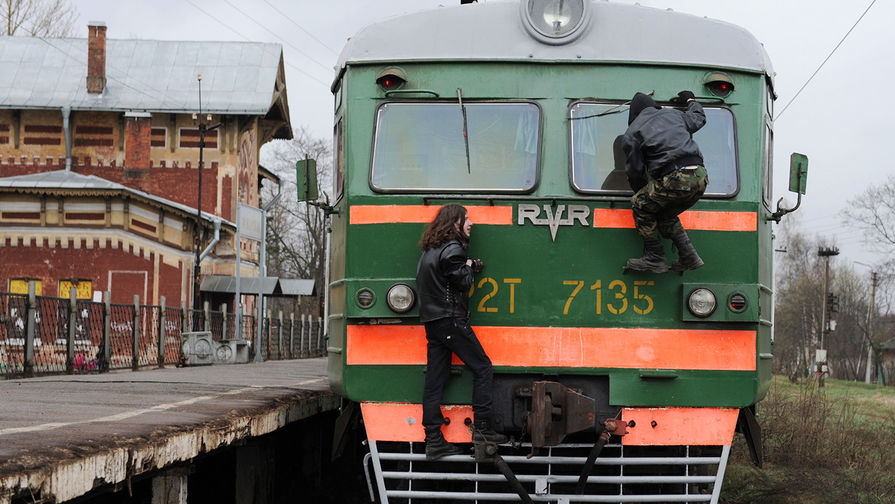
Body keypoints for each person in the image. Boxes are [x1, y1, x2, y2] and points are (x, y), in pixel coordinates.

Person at [416, 204, 508, 460]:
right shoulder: (454, 248)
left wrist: (467, 265)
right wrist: (468, 265)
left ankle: (434, 440)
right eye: (466, 219)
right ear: (454, 222)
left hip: (433, 322)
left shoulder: (429, 250)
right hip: (451, 320)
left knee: (435, 379)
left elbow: (446, 275)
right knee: (483, 367)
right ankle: (483, 430)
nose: (471, 223)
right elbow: (463, 281)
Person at [621, 90, 709, 273]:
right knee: (663, 213)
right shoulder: (674, 115)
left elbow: (635, 172)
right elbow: (699, 118)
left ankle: (655, 257)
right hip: (700, 177)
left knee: (639, 203)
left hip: (676, 177)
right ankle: (689, 256)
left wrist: (642, 191)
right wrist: (690, 100)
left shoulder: (633, 132)